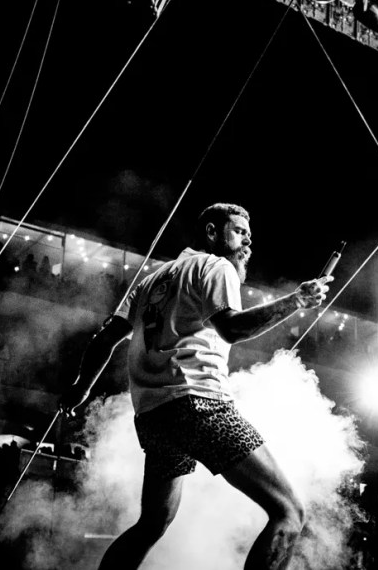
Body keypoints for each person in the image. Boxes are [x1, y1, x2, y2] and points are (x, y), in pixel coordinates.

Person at [59, 203, 332, 570]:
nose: (247, 241)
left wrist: (81, 386)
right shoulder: (216, 266)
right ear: (211, 233)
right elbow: (232, 328)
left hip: (155, 416)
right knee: (290, 512)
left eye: (250, 236)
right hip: (200, 403)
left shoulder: (152, 279)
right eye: (239, 232)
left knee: (151, 524)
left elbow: (105, 338)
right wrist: (297, 300)